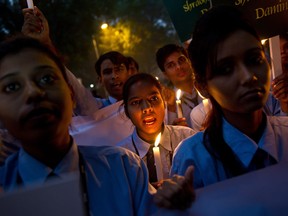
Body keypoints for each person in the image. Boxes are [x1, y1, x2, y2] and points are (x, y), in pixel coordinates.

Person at [0, 36, 194, 214]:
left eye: (46, 78)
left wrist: (175, 205)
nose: (33, 93)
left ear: (72, 95)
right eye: (12, 86)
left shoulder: (124, 168)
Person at [171, 6, 288, 189]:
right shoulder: (193, 160)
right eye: (225, 69)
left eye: (254, 60)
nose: (248, 76)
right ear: (203, 86)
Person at [117, 73, 196, 186]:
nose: (147, 108)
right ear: (126, 111)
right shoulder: (122, 157)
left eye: (153, 98)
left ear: (163, 101)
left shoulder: (186, 138)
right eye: (136, 102)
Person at [156, 44, 201, 127]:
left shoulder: (207, 85)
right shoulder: (169, 104)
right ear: (165, 74)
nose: (179, 67)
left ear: (189, 61)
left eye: (181, 60)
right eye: (171, 65)